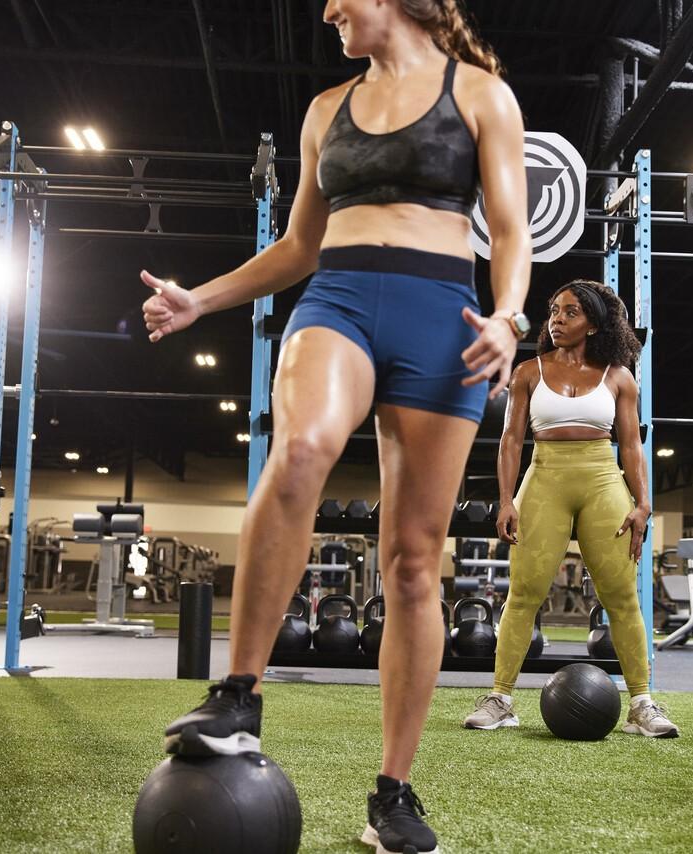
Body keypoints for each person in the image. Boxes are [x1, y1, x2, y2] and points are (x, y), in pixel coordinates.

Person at [140, 1, 529, 849]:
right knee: (303, 448)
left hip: (444, 319)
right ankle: (239, 693)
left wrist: (508, 316)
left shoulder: (481, 95)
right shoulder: (325, 110)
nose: (326, 10)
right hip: (340, 300)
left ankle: (393, 791)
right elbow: (297, 247)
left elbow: (509, 228)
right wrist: (198, 298)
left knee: (415, 562)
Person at [461, 280, 678, 738]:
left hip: (603, 480)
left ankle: (642, 703)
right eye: (554, 310)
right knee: (523, 594)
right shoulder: (528, 372)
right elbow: (509, 442)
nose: (557, 319)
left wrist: (643, 504)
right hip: (544, 479)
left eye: (570, 312)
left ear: (594, 324)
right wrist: (505, 499)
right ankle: (501, 698)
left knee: (621, 598)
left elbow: (632, 447)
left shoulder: (619, 376)